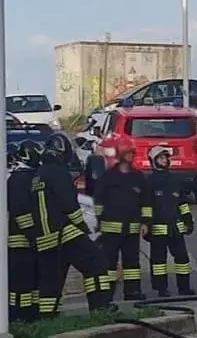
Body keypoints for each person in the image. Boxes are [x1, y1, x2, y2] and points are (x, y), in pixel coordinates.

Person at [33, 135, 113, 317]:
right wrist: (85, 230)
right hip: (64, 232)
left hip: (45, 239)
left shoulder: (38, 174)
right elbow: (70, 206)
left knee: (52, 281)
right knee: (96, 260)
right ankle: (100, 308)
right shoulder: (58, 172)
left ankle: (47, 318)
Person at [93, 134, 149, 301]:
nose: (131, 155)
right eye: (128, 153)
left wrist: (145, 222)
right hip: (110, 229)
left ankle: (132, 292)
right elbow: (98, 201)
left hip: (131, 228)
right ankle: (107, 294)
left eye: (132, 153)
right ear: (121, 154)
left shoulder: (138, 177)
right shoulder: (108, 177)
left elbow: (145, 201)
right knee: (109, 263)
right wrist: (98, 221)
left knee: (132, 262)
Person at [145, 146, 196, 297]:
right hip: (158, 229)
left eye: (166, 158)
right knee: (159, 261)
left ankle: (184, 288)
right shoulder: (149, 182)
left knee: (182, 258)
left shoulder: (175, 179)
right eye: (161, 158)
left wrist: (188, 220)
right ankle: (161, 289)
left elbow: (182, 203)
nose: (165, 160)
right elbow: (146, 206)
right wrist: (147, 225)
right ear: (153, 161)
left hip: (176, 228)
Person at [8, 141, 39, 323]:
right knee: (20, 282)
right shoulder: (19, 179)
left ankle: (29, 314)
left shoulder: (26, 177)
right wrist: (32, 234)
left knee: (31, 281)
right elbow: (21, 212)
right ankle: (17, 315)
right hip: (19, 241)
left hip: (27, 240)